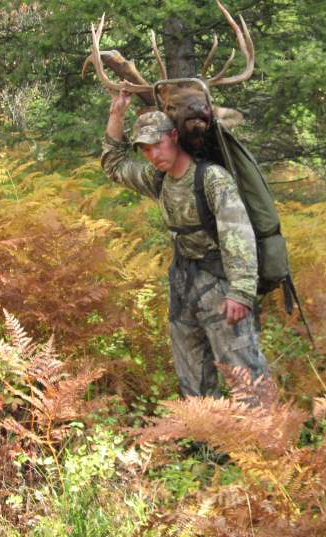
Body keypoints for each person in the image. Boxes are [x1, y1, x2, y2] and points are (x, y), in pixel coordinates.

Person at [101, 90, 273, 404]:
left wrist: (241, 292)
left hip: (222, 286)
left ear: (175, 136)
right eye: (146, 149)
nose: (153, 154)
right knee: (192, 373)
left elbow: (239, 234)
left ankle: (265, 442)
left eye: (158, 144)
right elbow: (114, 165)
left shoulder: (212, 179)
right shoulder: (159, 179)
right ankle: (205, 444)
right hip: (183, 283)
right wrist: (116, 116)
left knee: (243, 370)